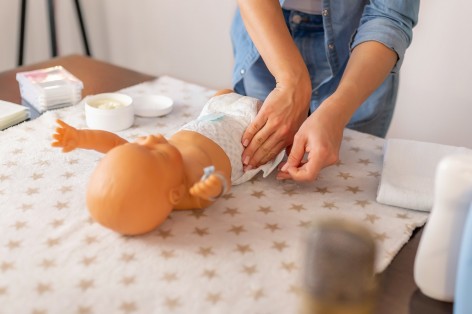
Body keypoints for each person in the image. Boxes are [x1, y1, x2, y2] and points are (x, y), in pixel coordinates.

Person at [231, 0, 420, 182]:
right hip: (267, 35)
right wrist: (291, 82)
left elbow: (390, 15)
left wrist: (337, 111)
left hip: (360, 56)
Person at [51, 90, 284, 235]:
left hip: (206, 120)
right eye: (160, 154)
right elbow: (219, 186)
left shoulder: (145, 166)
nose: (152, 139)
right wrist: (211, 187)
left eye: (140, 143)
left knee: (222, 95)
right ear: (174, 194)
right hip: (243, 134)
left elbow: (112, 143)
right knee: (276, 123)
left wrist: (81, 137)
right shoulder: (187, 192)